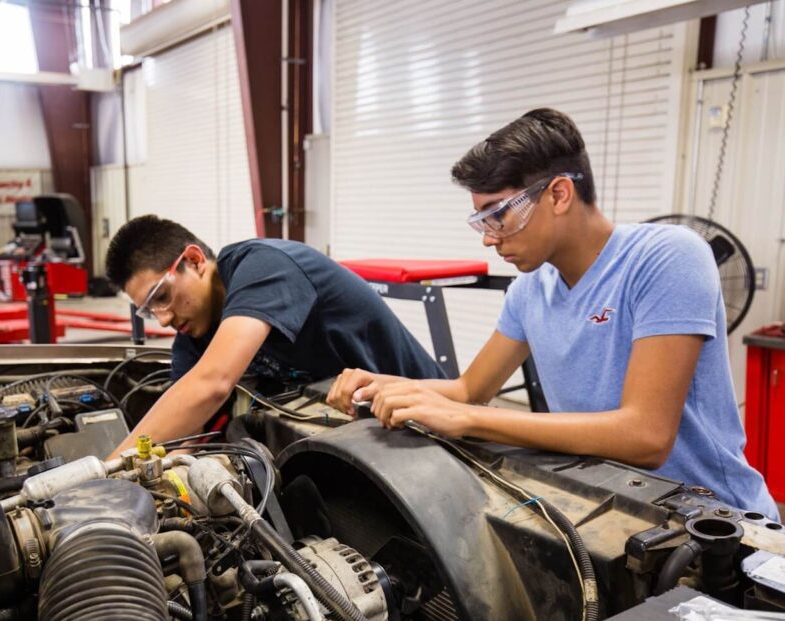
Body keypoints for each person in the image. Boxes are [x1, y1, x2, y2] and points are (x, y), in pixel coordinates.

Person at [327, 108, 778, 520]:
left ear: (559, 194)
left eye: (498, 215)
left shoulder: (666, 258)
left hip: (717, 520)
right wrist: (389, 385)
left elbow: (646, 436)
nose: (489, 238)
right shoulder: (530, 290)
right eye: (480, 222)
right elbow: (470, 388)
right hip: (616, 508)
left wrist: (469, 419)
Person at [103, 214, 445, 457]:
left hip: (433, 425)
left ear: (194, 260)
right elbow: (184, 428)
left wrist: (106, 472)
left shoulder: (264, 267)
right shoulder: (193, 335)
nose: (161, 320)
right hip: (356, 433)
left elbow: (212, 384)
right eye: (149, 310)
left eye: (161, 296)